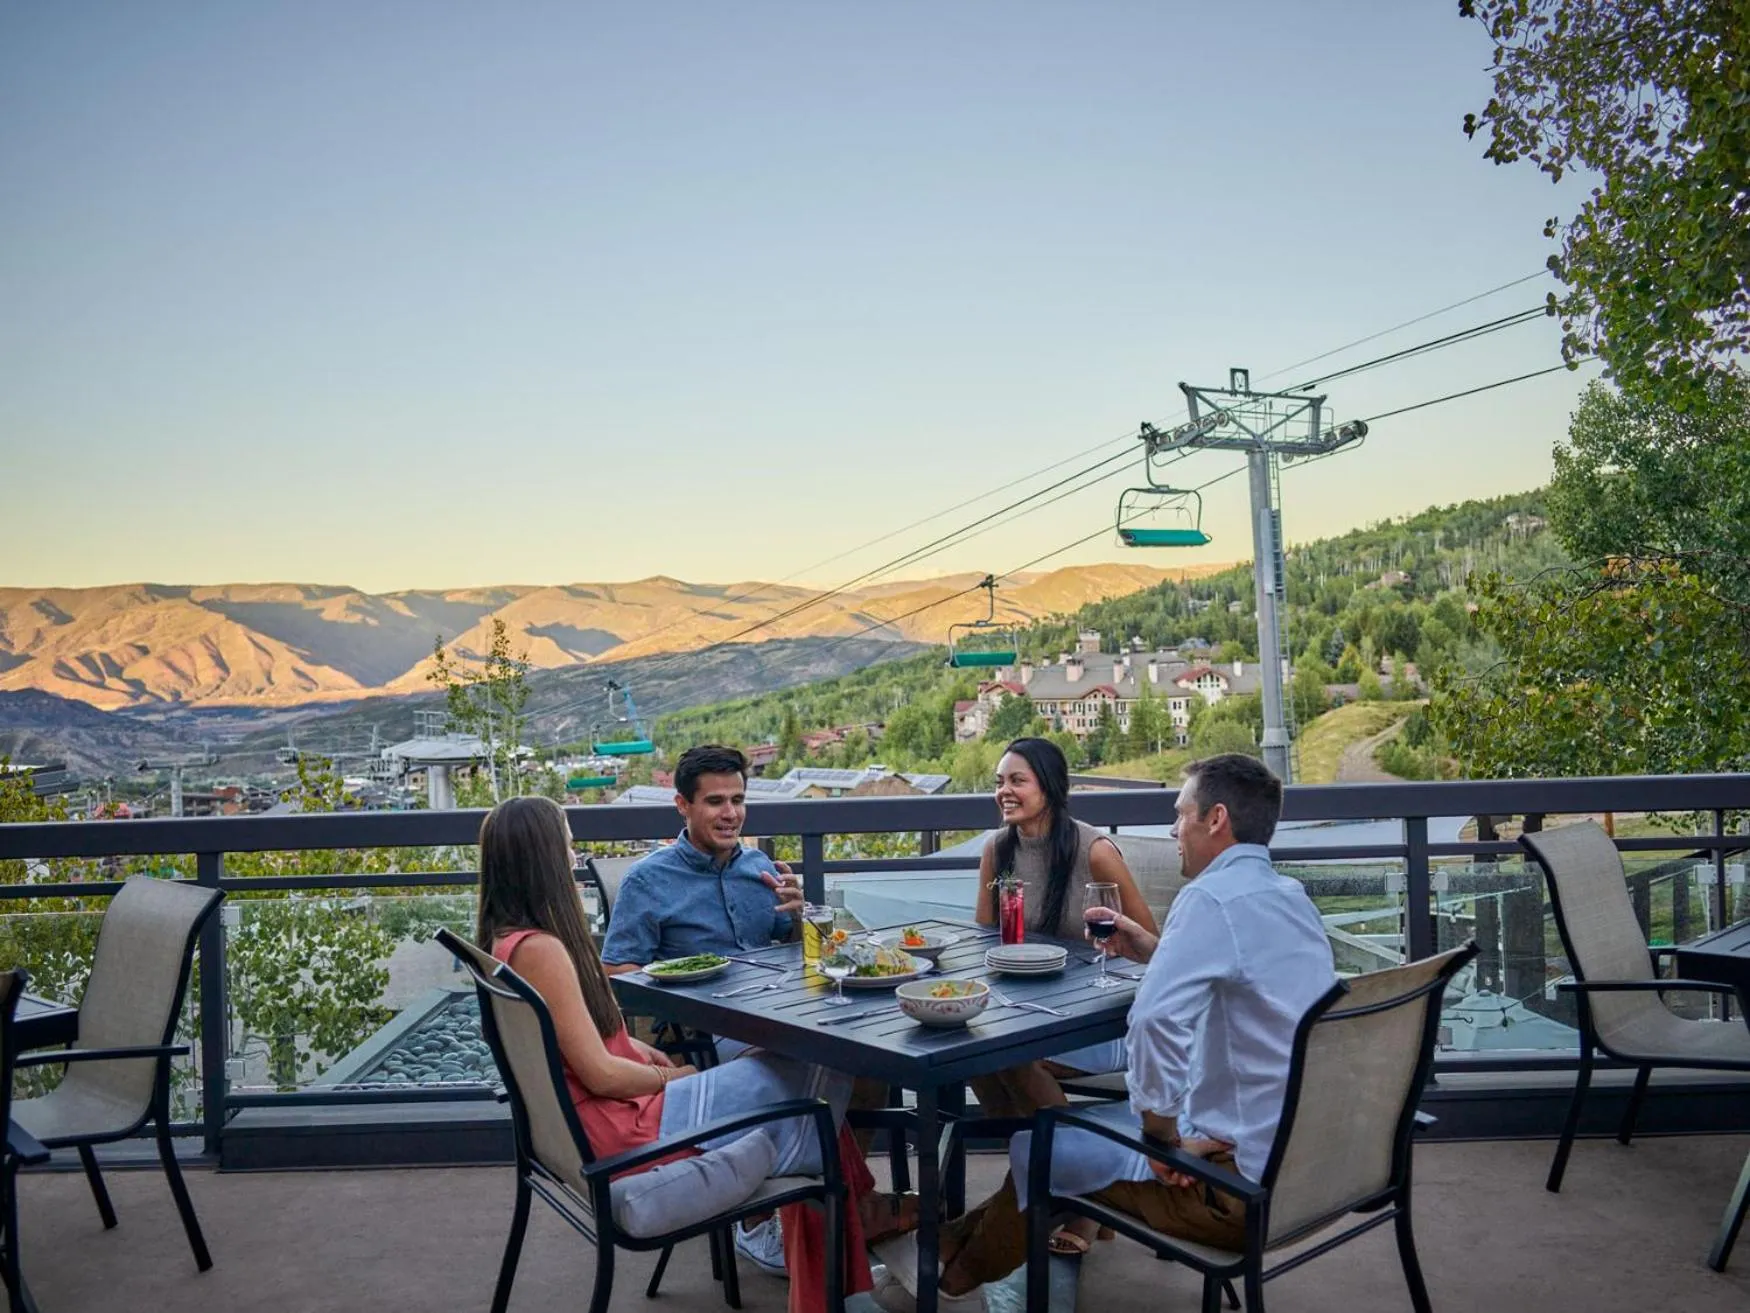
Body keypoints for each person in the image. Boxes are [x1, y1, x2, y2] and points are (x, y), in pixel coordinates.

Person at [874, 754, 1336, 1311]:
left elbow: (1155, 1022)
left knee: (1046, 1152)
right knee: (1052, 1144)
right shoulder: (1291, 899)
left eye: (1180, 814)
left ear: (1215, 819)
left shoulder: (1207, 899)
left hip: (1237, 1189)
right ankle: (945, 1245)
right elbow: (1246, 987)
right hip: (1306, 1160)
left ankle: (949, 1274)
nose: (1172, 831)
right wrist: (1151, 948)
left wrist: (1159, 1137)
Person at [475, 795, 915, 1313]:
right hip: (635, 1130)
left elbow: (579, 1043)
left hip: (618, 1120)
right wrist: (676, 1077)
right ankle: (848, 1255)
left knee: (811, 1102)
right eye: (567, 846)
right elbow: (599, 1074)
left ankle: (842, 1267)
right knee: (824, 1085)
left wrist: (639, 1050)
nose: (574, 857)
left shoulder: (507, 945)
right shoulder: (543, 950)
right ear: (541, 859)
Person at [600, 744, 911, 1277]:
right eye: (715, 801)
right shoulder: (648, 881)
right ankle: (777, 1219)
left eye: (738, 800)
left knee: (867, 1060)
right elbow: (615, 976)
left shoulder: (760, 867)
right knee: (811, 1069)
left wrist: (797, 917)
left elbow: (795, 950)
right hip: (708, 1030)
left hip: (787, 1013)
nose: (730, 814)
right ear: (682, 806)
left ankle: (820, 1205)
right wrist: (680, 978)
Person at [969, 736, 1158, 1257]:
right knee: (977, 1060)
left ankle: (1076, 1199)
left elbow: (1150, 946)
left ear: (1050, 788)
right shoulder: (996, 849)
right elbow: (982, 940)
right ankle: (1075, 1186)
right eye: (999, 782)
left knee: (1012, 1061)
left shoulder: (1093, 851)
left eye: (1017, 781)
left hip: (1101, 1019)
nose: (1004, 791)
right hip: (1029, 1010)